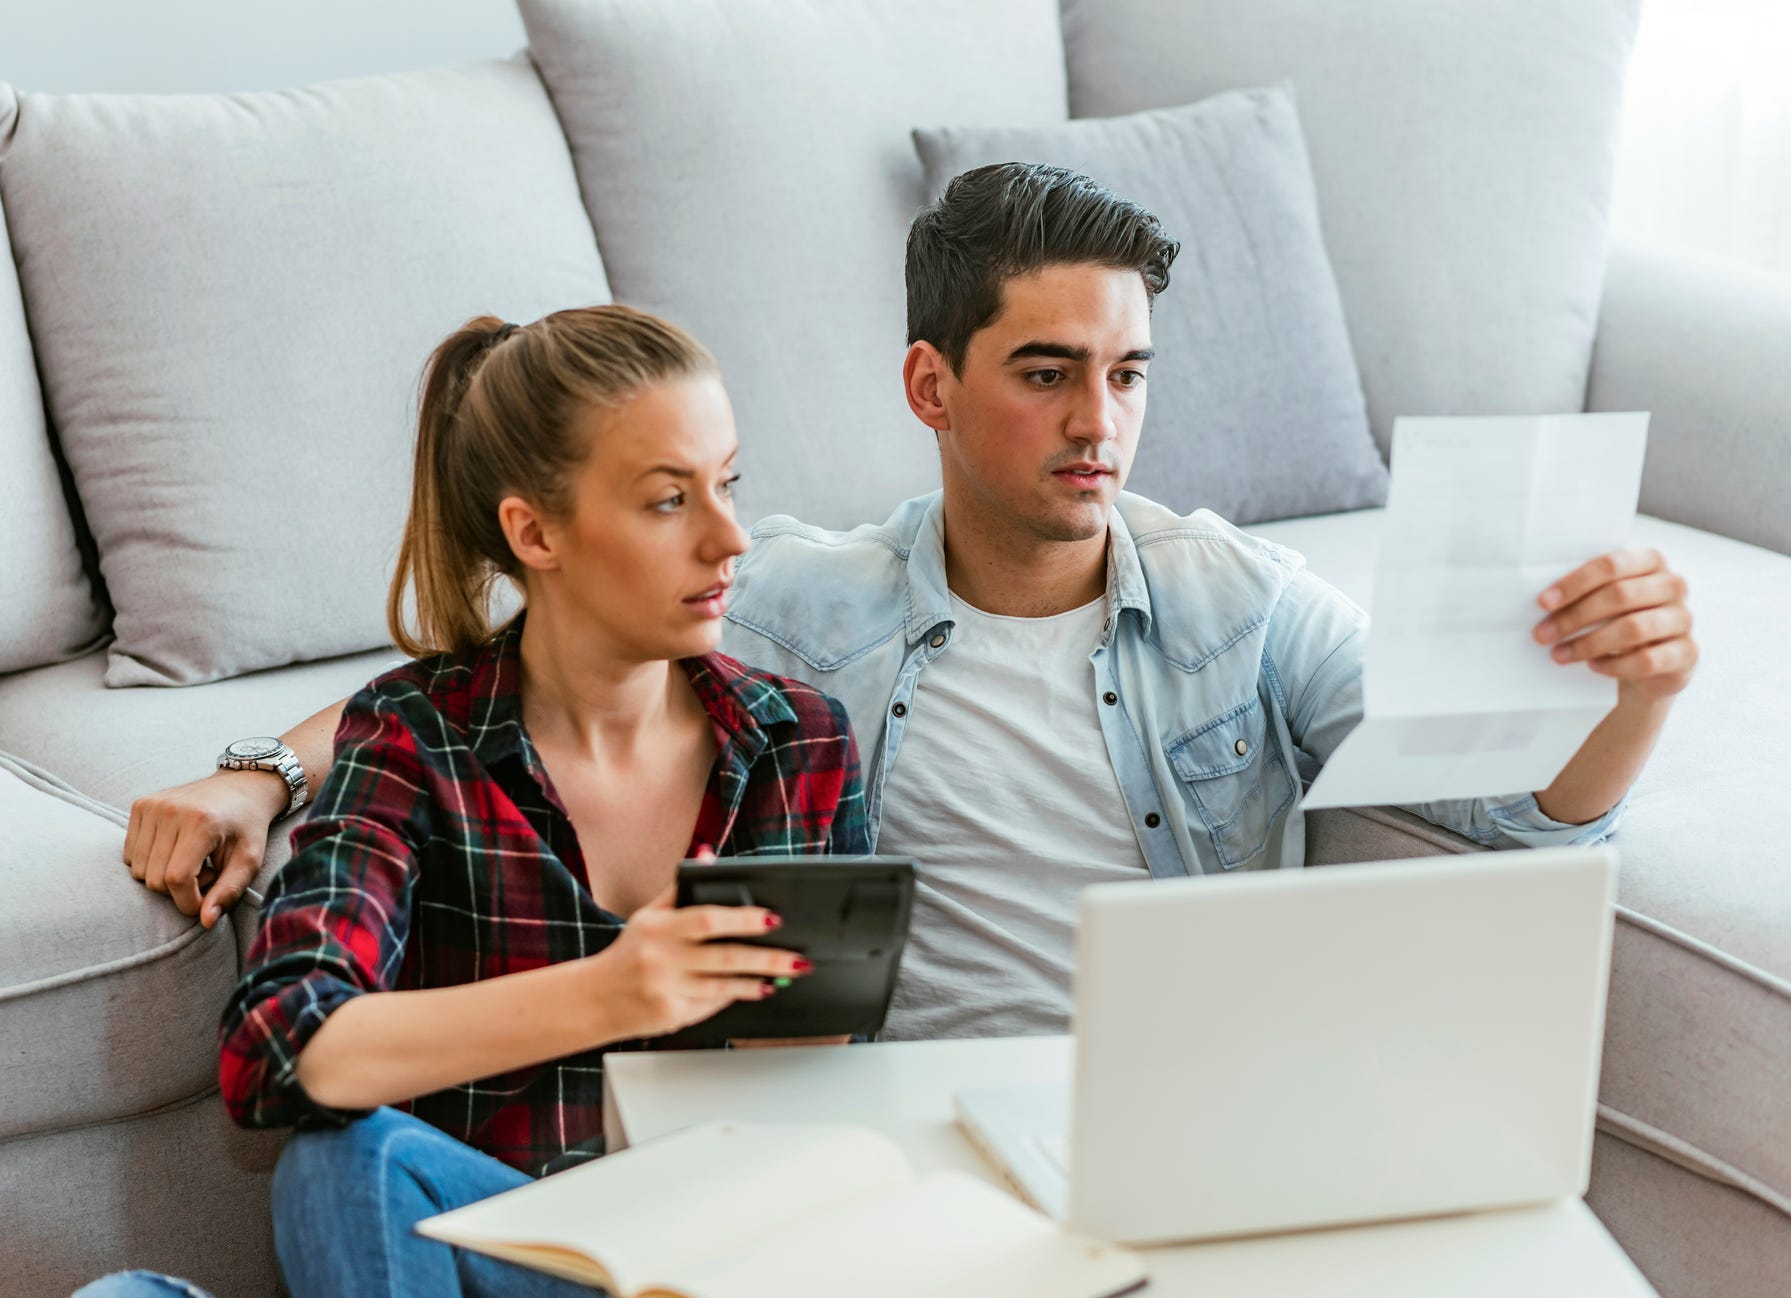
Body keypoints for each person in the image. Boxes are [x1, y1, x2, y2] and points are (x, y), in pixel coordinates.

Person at [126, 163, 1697, 1043]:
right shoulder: (810, 598)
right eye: (1045, 373)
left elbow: (1519, 819)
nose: (1100, 422)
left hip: (1169, 1108)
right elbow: (510, 672)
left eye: (1127, 372)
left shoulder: (1244, 606)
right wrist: (260, 773)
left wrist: (1627, 692)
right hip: (889, 1113)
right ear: (929, 386)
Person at [45, 306, 869, 1298]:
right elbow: (277, 1048)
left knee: (354, 1155)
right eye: (670, 498)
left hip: (685, 1293)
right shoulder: (413, 738)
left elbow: (832, 1090)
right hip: (453, 1288)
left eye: (728, 481)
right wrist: (610, 993)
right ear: (535, 531)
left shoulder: (798, 744)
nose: (730, 535)